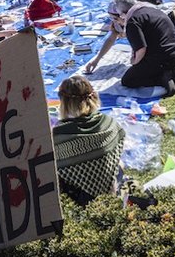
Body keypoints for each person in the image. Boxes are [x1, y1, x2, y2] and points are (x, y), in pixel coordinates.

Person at [86, 0, 175, 94]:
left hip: (163, 58)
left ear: (122, 14)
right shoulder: (150, 9)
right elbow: (113, 37)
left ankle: (163, 78)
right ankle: (171, 71)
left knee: (128, 80)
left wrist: (134, 62)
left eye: (116, 18)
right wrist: (97, 59)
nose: (116, 22)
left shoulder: (132, 21)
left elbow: (141, 49)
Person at [52, 75, 125, 205]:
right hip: (112, 186)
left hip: (84, 200)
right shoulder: (109, 122)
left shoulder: (59, 135)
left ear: (64, 103)